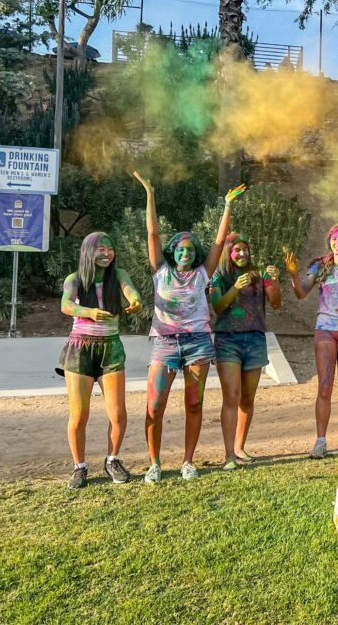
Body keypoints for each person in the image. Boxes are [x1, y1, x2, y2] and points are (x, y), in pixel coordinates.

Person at [133, 172, 245, 483]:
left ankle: (187, 462)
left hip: (198, 343)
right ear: (173, 251)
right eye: (181, 249)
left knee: (194, 403)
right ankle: (154, 464)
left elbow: (219, 243)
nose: (186, 253)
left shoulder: (202, 274)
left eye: (191, 250)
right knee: (155, 405)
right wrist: (150, 193)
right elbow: (152, 233)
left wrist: (227, 205)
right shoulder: (160, 270)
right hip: (165, 343)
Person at [58, 232, 142, 489]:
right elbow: (66, 304)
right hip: (80, 349)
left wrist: (136, 301)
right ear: (88, 252)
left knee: (118, 412)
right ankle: (79, 466)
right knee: (79, 414)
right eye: (100, 249)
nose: (107, 254)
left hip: (111, 347)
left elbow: (130, 290)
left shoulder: (118, 275)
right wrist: (88, 312)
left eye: (110, 249)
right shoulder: (74, 279)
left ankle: (112, 460)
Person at [285, 224, 338, 459]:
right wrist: (293, 274)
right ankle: (320, 441)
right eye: (334, 239)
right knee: (324, 385)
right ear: (329, 242)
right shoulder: (320, 265)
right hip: (324, 327)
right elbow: (301, 292)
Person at [211, 233, 283, 470]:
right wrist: (235, 287)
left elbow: (276, 303)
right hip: (227, 340)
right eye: (237, 250)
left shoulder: (259, 274)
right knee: (232, 396)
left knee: (247, 398)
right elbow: (218, 307)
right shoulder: (219, 275)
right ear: (228, 252)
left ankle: (240, 448)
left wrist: (274, 281)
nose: (242, 253)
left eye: (245, 249)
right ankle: (229, 455)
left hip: (255, 339)